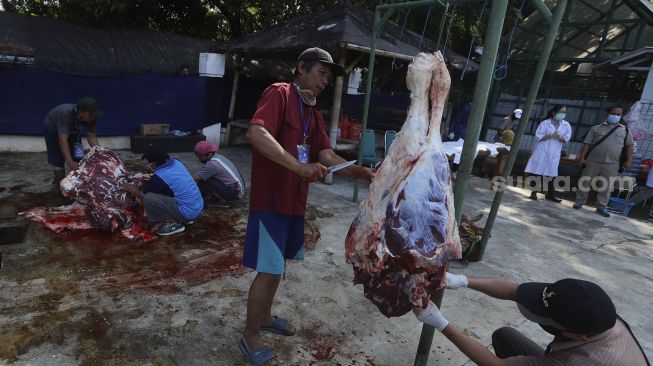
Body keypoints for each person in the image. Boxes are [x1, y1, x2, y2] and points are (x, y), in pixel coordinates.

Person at [239, 47, 375, 366]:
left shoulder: (312, 114)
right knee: (269, 268)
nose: (325, 82)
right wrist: (299, 167)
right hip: (271, 199)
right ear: (301, 68)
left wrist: (359, 171)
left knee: (278, 267)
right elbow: (257, 133)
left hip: (293, 203)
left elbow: (325, 155)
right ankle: (250, 333)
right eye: (321, 73)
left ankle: (266, 317)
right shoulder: (280, 94)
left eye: (328, 77)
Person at [413, 273, 649, 366]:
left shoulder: (576, 362)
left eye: (549, 319)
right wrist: (463, 280)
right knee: (506, 337)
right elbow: (514, 290)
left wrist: (440, 322)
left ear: (579, 336)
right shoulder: (600, 315)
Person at [121, 145, 203, 236]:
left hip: (187, 213)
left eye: (150, 161)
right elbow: (170, 178)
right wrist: (155, 171)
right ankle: (182, 217)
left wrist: (131, 189)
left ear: (154, 162)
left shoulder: (159, 178)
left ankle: (171, 223)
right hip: (197, 206)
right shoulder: (177, 163)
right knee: (168, 191)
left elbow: (142, 195)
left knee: (149, 198)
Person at [574, 106, 634, 217]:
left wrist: (629, 161)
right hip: (593, 160)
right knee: (585, 181)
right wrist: (582, 158)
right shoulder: (596, 128)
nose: (615, 116)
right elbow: (586, 144)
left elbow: (630, 146)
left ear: (621, 116)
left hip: (613, 163)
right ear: (608, 114)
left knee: (607, 185)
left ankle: (602, 206)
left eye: (618, 114)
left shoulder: (625, 130)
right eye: (613, 113)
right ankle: (580, 201)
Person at [43, 97, 102, 185]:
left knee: (79, 157)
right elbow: (63, 140)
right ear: (82, 112)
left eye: (94, 115)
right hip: (53, 129)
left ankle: (78, 183)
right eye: (91, 115)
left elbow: (91, 136)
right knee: (58, 161)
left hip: (73, 130)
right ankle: (59, 184)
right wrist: (70, 162)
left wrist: (100, 154)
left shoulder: (92, 118)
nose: (93, 117)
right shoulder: (65, 114)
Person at [524, 105, 572, 202]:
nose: (562, 114)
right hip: (542, 151)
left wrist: (560, 137)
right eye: (560, 112)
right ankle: (534, 193)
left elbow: (566, 139)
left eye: (564, 112)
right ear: (554, 112)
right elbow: (538, 137)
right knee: (537, 172)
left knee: (552, 173)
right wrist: (549, 135)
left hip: (554, 153)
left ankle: (550, 194)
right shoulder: (545, 123)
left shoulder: (566, 125)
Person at [192, 140, 245, 207]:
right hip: (239, 188)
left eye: (201, 157)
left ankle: (221, 201)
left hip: (235, 194)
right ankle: (214, 195)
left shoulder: (212, 165)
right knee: (205, 176)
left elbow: (195, 179)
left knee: (206, 179)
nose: (199, 159)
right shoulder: (218, 157)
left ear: (209, 154)